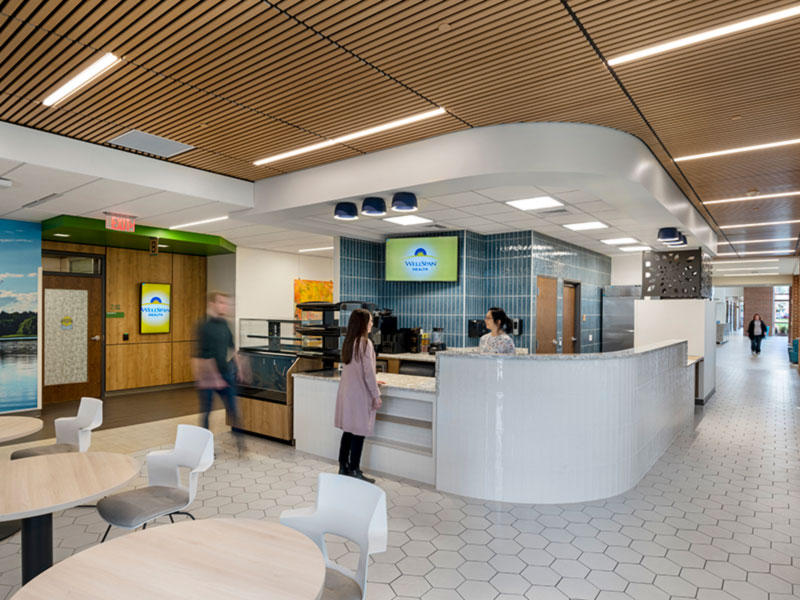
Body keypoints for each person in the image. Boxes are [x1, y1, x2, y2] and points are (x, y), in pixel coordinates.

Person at [335, 308, 384, 483]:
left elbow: (358, 370)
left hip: (347, 393)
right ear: (363, 324)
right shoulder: (365, 343)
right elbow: (368, 373)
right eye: (370, 321)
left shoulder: (349, 342)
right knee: (359, 432)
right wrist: (376, 395)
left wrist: (375, 382)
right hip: (360, 395)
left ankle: (343, 467)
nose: (372, 324)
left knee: (348, 431)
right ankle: (355, 470)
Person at [193, 290, 244, 453]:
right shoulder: (204, 327)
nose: (225, 306)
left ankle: (241, 445)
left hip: (225, 374)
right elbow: (197, 356)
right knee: (207, 412)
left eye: (226, 303)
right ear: (212, 304)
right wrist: (200, 378)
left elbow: (232, 348)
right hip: (208, 377)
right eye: (221, 302)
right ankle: (205, 449)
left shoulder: (225, 326)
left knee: (233, 408)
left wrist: (240, 369)